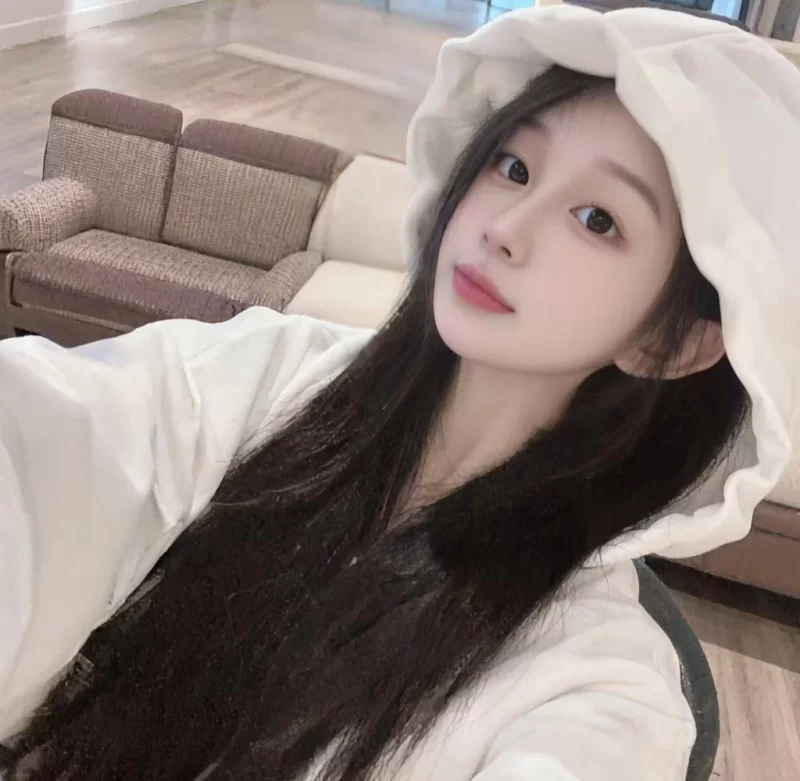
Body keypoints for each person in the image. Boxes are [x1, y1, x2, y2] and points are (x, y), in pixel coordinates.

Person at [1, 5, 799, 780]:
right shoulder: (274, 374)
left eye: (597, 218)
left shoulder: (597, 678)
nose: (505, 228)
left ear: (675, 343)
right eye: (513, 167)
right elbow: (52, 440)